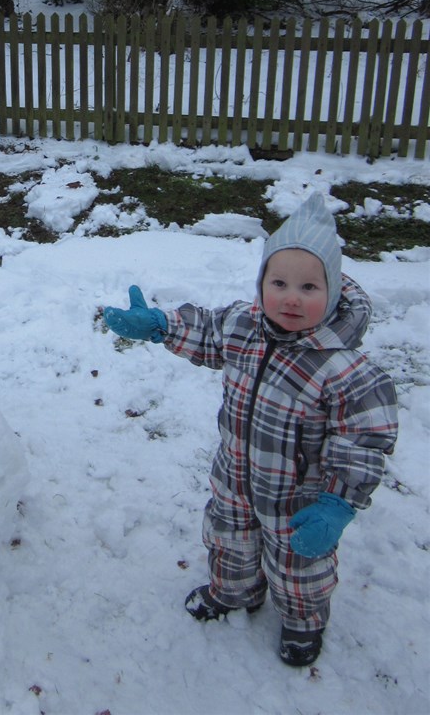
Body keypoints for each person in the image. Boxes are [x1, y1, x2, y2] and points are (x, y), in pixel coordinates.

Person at [102, 192, 398, 667]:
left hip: (298, 497)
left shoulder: (346, 370)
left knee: (298, 564)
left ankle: (303, 620)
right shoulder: (245, 325)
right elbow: (207, 330)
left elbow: (363, 442)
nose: (291, 297)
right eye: (278, 282)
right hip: (236, 476)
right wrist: (160, 324)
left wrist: (337, 503)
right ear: (262, 283)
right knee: (229, 537)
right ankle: (233, 592)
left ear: (334, 292)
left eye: (309, 287)